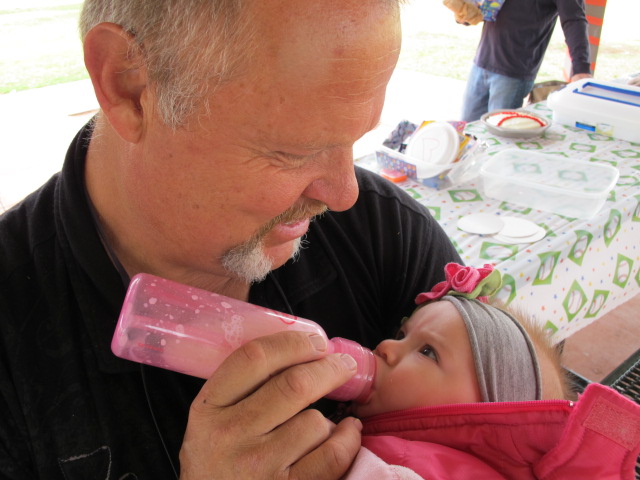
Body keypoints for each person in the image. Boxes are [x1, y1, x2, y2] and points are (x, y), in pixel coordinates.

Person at [0, 1, 465, 479]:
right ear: (129, 85)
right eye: (294, 150)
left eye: (354, 139)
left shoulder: (382, 231)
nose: (344, 195)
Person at [343, 263, 640, 479]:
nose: (385, 346)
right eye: (401, 334)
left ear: (482, 412)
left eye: (427, 351)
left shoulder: (399, 469)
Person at [459, 0, 594, 122]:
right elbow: (487, 7)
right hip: (482, 62)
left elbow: (574, 21)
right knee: (467, 129)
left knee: (498, 134)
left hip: (512, 73)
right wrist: (465, 13)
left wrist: (581, 68)